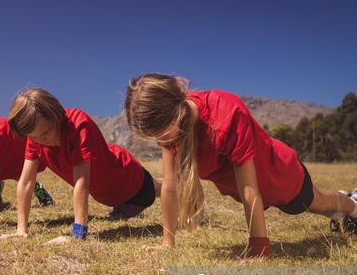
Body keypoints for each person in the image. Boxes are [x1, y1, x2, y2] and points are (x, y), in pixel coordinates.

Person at [124, 73, 357, 257]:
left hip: (279, 177)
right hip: (252, 192)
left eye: (159, 133)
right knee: (319, 207)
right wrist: (167, 242)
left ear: (174, 114)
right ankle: (340, 218)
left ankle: (353, 206)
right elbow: (170, 187)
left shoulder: (225, 112)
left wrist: (258, 250)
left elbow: (249, 187)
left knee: (314, 202)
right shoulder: (173, 132)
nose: (158, 141)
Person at [1, 88, 161, 241]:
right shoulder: (36, 135)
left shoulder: (78, 124)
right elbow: (26, 182)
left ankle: (185, 191)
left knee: (167, 188)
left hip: (128, 180)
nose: (41, 140)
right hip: (107, 196)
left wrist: (78, 235)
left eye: (46, 132)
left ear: (56, 115)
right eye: (34, 137)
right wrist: (21, 230)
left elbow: (81, 183)